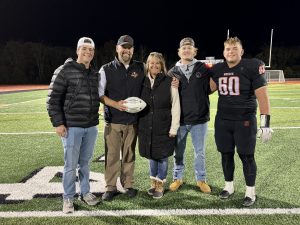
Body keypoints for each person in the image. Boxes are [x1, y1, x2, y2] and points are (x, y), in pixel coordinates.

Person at [210, 37, 273, 207]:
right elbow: (208, 89)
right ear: (223, 52)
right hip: (223, 120)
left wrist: (265, 123)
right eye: (228, 49)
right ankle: (228, 186)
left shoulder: (251, 66)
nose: (231, 52)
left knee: (246, 156)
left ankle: (250, 192)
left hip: (244, 120)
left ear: (241, 51)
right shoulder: (217, 69)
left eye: (234, 48)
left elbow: (263, 96)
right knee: (225, 154)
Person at [46, 37, 101, 213]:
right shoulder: (64, 70)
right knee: (70, 165)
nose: (88, 52)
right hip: (72, 126)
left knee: (84, 163)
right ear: (77, 50)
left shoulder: (94, 73)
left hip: (91, 127)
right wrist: (58, 123)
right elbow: (53, 99)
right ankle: (68, 197)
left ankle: (85, 192)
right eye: (84, 49)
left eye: (91, 49)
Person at [98, 35, 145, 201]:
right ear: (117, 49)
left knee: (129, 154)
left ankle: (128, 184)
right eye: (123, 47)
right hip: (113, 121)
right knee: (112, 155)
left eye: (129, 47)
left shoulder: (141, 68)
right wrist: (115, 104)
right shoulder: (106, 69)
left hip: (132, 121)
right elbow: (100, 95)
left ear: (132, 50)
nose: (126, 50)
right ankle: (110, 187)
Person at [168, 37, 212, 193]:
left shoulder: (204, 68)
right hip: (179, 120)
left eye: (189, 47)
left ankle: (201, 179)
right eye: (184, 48)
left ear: (195, 51)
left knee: (199, 152)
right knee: (178, 152)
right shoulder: (172, 72)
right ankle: (177, 178)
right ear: (179, 51)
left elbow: (212, 87)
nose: (186, 50)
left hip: (199, 119)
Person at [138, 52, 180, 199]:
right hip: (146, 124)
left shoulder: (170, 81)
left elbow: (175, 105)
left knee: (162, 156)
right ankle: (153, 183)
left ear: (162, 65)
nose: (154, 65)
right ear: (147, 65)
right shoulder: (142, 81)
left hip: (164, 124)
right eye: (151, 63)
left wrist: (174, 128)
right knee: (151, 155)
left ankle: (160, 184)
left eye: (158, 63)